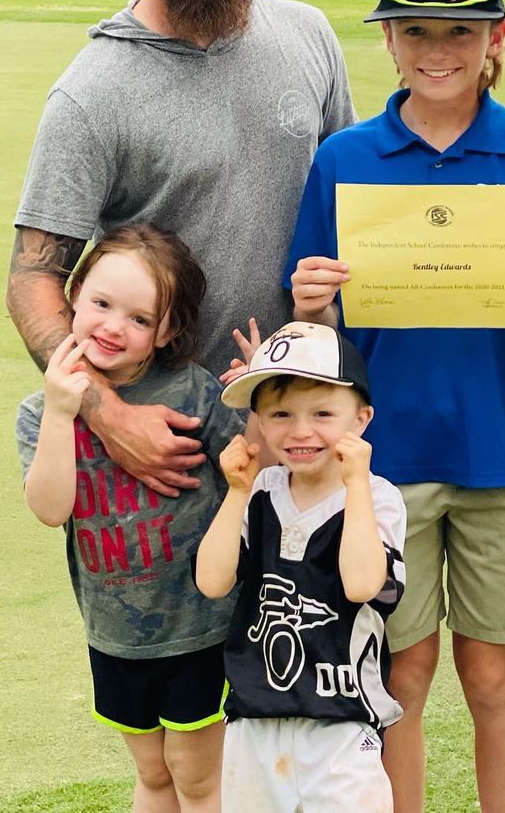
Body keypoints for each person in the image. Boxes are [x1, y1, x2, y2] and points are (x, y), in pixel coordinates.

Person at [283, 0, 505, 812]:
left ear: (496, 36)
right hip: (383, 465)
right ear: (386, 38)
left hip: (502, 452)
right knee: (400, 674)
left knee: (494, 674)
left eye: (459, 30)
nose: (437, 50)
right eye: (414, 30)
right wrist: (312, 303)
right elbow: (327, 341)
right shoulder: (344, 159)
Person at [7, 0, 356, 499]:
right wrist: (112, 418)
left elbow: (351, 207)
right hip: (170, 448)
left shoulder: (310, 36)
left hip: (302, 426)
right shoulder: (94, 91)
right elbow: (32, 281)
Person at [15, 224, 245, 813]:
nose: (114, 326)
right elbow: (48, 509)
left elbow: (253, 468)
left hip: (200, 628)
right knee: (151, 774)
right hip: (113, 633)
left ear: (166, 331)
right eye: (100, 304)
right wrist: (65, 413)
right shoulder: (42, 410)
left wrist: (255, 395)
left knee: (196, 778)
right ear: (72, 299)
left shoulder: (193, 392)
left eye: (140, 319)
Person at [196, 321, 406, 813]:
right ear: (261, 423)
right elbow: (211, 581)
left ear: (362, 418)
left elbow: (361, 585)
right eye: (281, 414)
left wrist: (355, 485)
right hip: (254, 720)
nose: (300, 430)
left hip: (340, 724)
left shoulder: (378, 498)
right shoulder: (262, 489)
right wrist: (237, 492)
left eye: (323, 413)